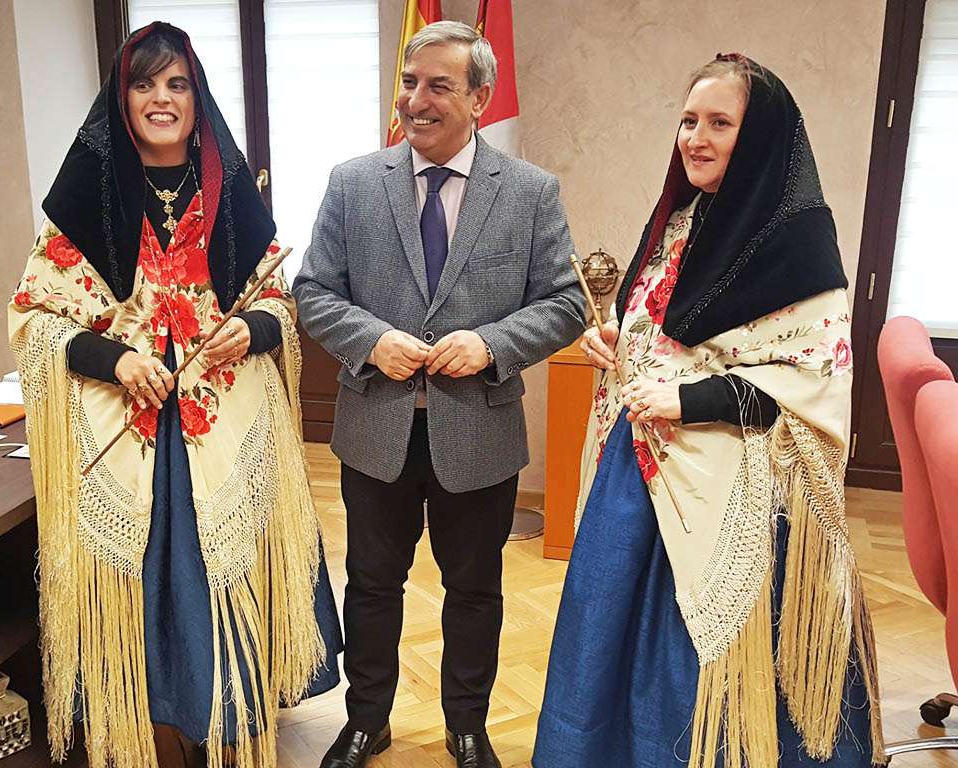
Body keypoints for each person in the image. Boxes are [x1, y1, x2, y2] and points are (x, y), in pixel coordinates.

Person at [533, 54, 886, 768]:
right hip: (641, 467)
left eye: (719, 123)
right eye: (688, 120)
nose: (695, 138)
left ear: (758, 138)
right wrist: (616, 338)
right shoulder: (680, 218)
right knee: (607, 628)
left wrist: (689, 398)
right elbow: (662, 322)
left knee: (703, 651)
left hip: (735, 485)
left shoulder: (798, 238)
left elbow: (811, 375)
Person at [8, 22, 341, 768]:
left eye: (177, 84)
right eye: (144, 84)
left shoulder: (228, 192)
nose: (161, 98)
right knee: (144, 585)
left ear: (197, 99)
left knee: (226, 575)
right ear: (121, 99)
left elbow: (278, 300)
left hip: (225, 421)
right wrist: (116, 361)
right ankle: (152, 731)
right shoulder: (86, 198)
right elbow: (34, 318)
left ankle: (230, 723)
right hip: (124, 429)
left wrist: (252, 328)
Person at [293, 20, 584, 768]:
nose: (415, 100)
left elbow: (565, 303)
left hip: (479, 431)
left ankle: (467, 726)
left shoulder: (529, 193)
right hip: (375, 430)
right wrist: (371, 340)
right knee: (371, 585)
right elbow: (313, 291)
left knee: (475, 589)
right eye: (410, 83)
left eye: (439, 86)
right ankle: (366, 721)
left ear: (481, 98)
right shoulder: (354, 183)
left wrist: (491, 345)